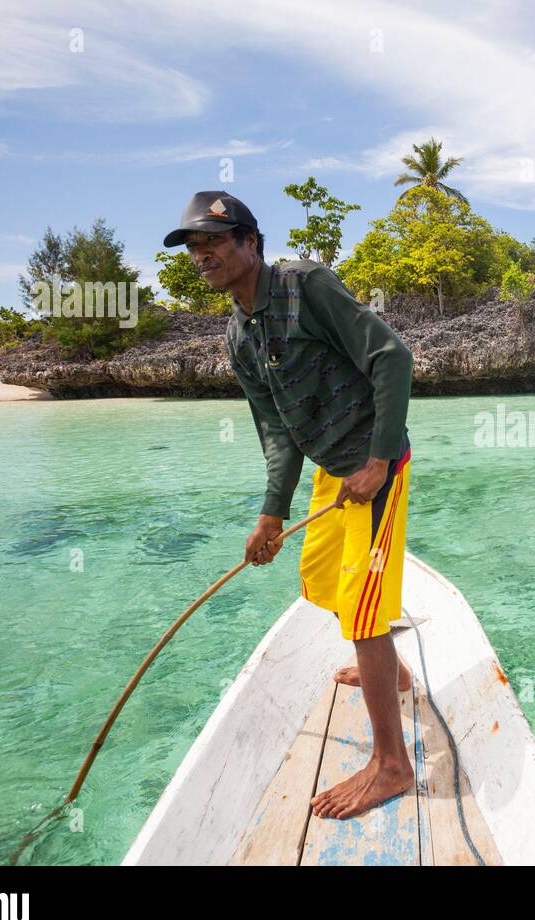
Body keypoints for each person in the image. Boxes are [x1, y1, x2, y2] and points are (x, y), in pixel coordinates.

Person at [164, 190, 416, 820]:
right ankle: (397, 674)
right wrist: (270, 514)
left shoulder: (306, 286)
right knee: (322, 581)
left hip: (374, 468)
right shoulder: (237, 335)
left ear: (251, 242)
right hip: (333, 473)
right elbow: (277, 433)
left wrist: (379, 460)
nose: (204, 256)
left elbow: (392, 357)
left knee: (362, 612)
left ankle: (391, 765)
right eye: (195, 248)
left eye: (215, 241)